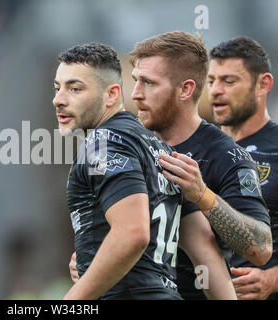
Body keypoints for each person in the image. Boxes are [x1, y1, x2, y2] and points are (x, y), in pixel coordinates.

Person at [56, 43, 236, 300]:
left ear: (111, 95)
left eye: (75, 89)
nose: (59, 99)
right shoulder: (164, 152)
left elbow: (132, 234)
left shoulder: (105, 141)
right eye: (57, 88)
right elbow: (204, 249)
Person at [128, 31, 272, 300]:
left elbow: (261, 248)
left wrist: (202, 196)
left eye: (148, 83)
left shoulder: (227, 156)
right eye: (136, 81)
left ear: (186, 89)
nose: (135, 94)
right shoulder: (130, 144)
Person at [207, 37, 278, 300]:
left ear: (263, 84)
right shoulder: (196, 148)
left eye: (229, 81)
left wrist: (273, 279)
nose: (215, 90)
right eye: (211, 81)